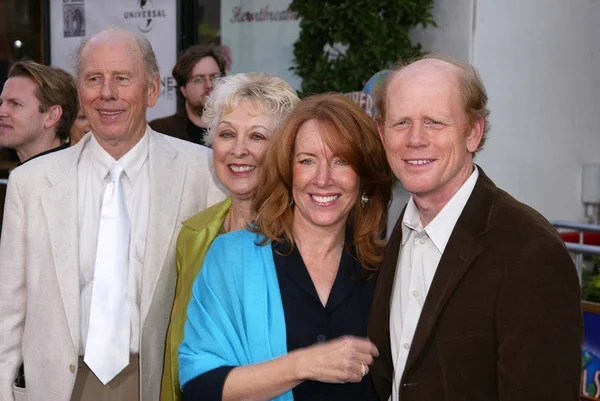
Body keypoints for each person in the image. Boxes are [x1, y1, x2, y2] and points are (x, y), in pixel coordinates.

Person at [0, 27, 226, 401]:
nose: (107, 93)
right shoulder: (32, 183)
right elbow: (8, 309)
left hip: (158, 382)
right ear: (79, 91)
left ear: (152, 90)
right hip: (59, 385)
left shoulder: (201, 172)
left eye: (122, 78)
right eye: (94, 79)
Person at [368, 54, 583, 401]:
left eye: (434, 122)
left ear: (473, 132)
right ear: (382, 133)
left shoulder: (529, 251)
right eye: (401, 122)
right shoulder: (395, 232)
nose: (415, 139)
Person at [179, 93, 393, 401]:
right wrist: (304, 364)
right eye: (307, 161)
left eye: (341, 161)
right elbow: (200, 386)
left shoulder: (388, 267)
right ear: (286, 170)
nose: (323, 179)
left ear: (363, 176)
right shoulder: (231, 258)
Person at [161, 72, 300, 401]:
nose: (239, 150)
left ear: (284, 149)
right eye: (226, 134)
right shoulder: (194, 234)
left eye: (257, 136)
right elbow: (179, 350)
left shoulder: (306, 237)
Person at [0, 59, 78, 163]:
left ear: (52, 116)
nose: (1, 112)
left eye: (15, 103)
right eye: (1, 103)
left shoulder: (77, 176)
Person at [150, 44, 227, 146]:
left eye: (215, 77)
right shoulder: (160, 132)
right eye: (198, 79)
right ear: (183, 90)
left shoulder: (237, 128)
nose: (209, 85)